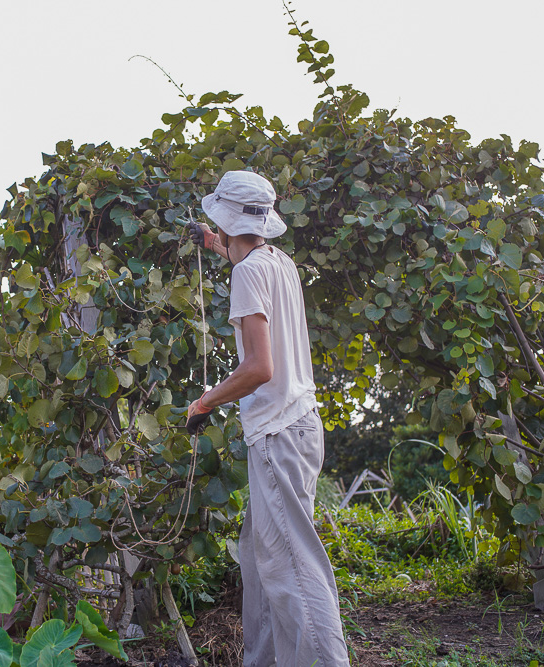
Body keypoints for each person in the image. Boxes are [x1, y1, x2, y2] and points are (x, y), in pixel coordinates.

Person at [185, 171, 351, 667]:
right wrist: (215, 244)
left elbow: (259, 368)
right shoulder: (279, 262)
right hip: (298, 426)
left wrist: (204, 403)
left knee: (294, 567)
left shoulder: (249, 273)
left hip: (277, 432)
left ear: (231, 219)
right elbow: (248, 258)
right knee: (261, 560)